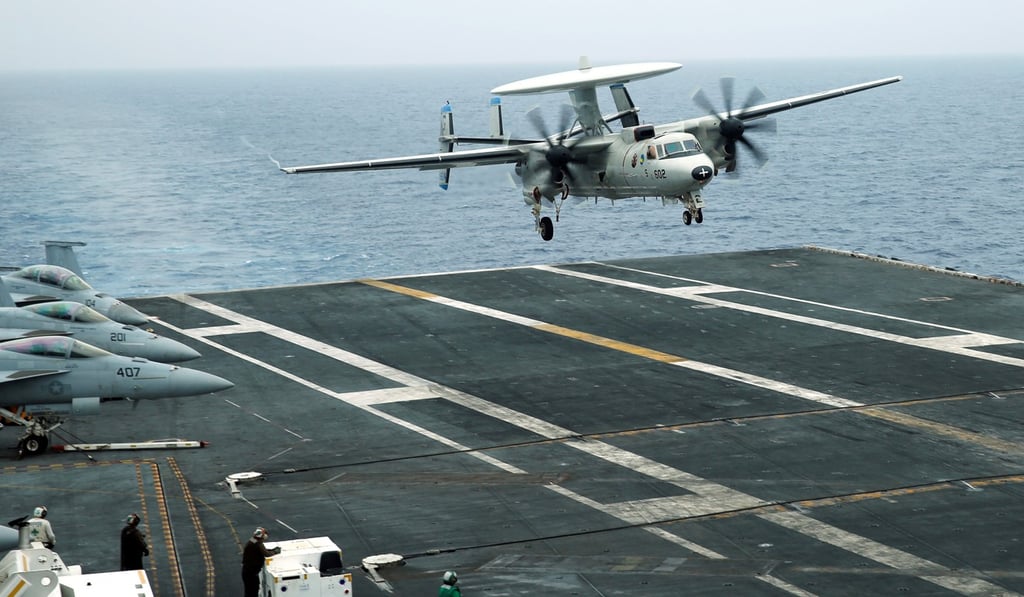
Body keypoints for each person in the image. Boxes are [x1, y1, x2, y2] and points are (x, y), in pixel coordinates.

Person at [242, 527, 281, 597]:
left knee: (248, 592)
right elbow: (266, 554)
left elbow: (262, 550)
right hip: (251, 573)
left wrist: (271, 550)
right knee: (253, 592)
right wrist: (275, 551)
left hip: (247, 571)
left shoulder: (253, 540)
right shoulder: (258, 544)